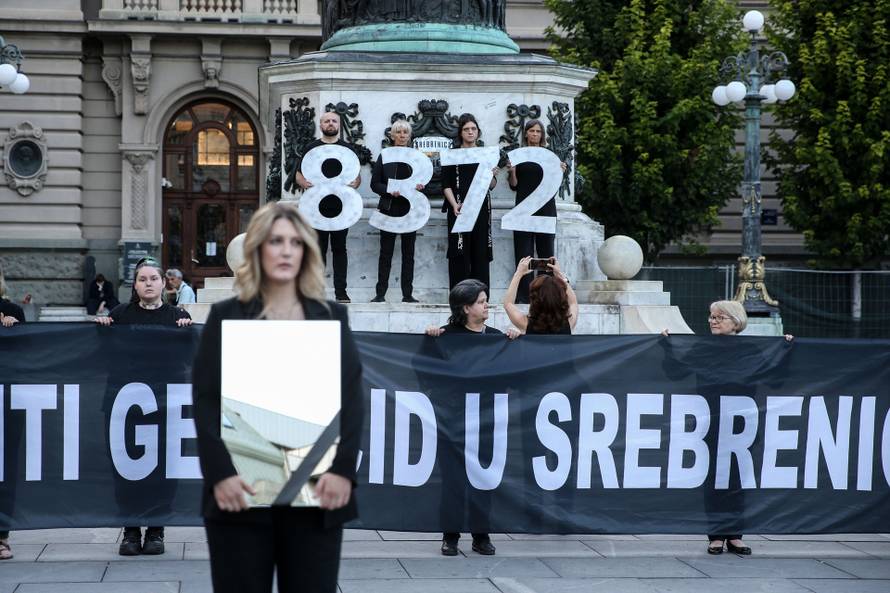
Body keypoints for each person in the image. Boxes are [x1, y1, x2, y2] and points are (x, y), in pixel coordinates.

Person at [192, 201, 364, 593]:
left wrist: (342, 472)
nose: (286, 250)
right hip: (240, 497)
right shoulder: (226, 316)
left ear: (306, 251)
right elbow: (205, 401)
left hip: (317, 497)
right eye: (275, 241)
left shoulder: (331, 316)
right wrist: (221, 475)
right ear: (256, 249)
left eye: (294, 242)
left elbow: (351, 401)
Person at [662, 300, 792, 555]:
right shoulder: (703, 347)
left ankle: (734, 534)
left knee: (737, 478)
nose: (713, 321)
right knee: (714, 477)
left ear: (736, 322)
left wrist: (785, 349)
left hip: (742, 423)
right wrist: (667, 346)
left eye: (720, 317)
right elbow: (675, 373)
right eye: (711, 316)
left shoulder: (751, 350)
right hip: (711, 421)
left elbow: (775, 379)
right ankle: (716, 535)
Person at [95, 257, 193, 556]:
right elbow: (103, 355)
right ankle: (131, 531)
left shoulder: (178, 316)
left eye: (154, 278)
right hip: (126, 404)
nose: (148, 283)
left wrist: (188, 333)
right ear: (135, 285)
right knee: (125, 468)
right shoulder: (120, 315)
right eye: (142, 279)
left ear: (164, 283)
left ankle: (156, 530)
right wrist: (102, 329)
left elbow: (188, 359)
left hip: (166, 404)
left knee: (164, 467)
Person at [424, 279, 518, 557]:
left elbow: (512, 375)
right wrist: (430, 342)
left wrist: (514, 344)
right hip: (452, 420)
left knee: (483, 479)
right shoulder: (445, 336)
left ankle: (481, 535)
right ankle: (450, 536)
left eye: (485, 300)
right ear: (466, 308)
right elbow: (425, 371)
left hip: (485, 420)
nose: (486, 305)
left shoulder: (496, 337)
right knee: (453, 480)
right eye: (480, 301)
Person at [295, 111, 362, 303]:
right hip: (316, 208)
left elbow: (357, 177)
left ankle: (341, 293)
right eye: (327, 121)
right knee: (318, 251)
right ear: (321, 124)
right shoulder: (312, 148)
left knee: (340, 249)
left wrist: (356, 183)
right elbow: (298, 174)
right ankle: (316, 292)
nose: (330, 124)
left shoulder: (347, 149)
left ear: (339, 125)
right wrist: (303, 183)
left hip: (342, 208)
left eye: (334, 121)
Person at [506, 119, 567, 303]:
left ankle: (545, 295)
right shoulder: (519, 155)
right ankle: (523, 295)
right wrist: (512, 171)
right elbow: (514, 186)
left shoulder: (550, 156)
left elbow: (554, 187)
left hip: (546, 210)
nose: (534, 134)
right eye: (531, 131)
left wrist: (561, 173)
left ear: (542, 135)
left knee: (546, 253)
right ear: (526, 133)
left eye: (538, 131)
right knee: (524, 254)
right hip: (523, 210)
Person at [442, 113, 497, 289]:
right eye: (466, 129)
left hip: (481, 210)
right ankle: (459, 296)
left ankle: (481, 297)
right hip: (459, 209)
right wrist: (454, 205)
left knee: (480, 252)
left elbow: (492, 185)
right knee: (459, 253)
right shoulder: (452, 156)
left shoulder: (486, 155)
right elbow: (446, 184)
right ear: (460, 133)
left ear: (478, 132)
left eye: (473, 129)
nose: (470, 132)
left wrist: (493, 175)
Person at [370, 119, 422, 303]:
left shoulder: (417, 158)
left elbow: (424, 181)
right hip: (389, 208)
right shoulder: (384, 156)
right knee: (386, 253)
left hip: (410, 209)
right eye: (398, 132)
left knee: (409, 254)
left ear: (409, 136)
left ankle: (407, 294)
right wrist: (388, 190)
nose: (401, 136)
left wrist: (420, 186)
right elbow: (374, 184)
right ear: (392, 135)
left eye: (405, 133)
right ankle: (380, 294)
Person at [0, 263, 21, 559]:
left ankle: (1, 536)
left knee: (4, 470)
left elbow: (24, 353)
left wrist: (13, 328)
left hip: (4, 400)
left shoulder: (11, 309)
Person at [504, 256, 578, 334]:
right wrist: (560, 275)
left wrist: (518, 273)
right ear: (561, 299)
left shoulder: (525, 324)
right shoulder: (569, 323)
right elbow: (573, 302)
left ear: (534, 300)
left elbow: (508, 303)